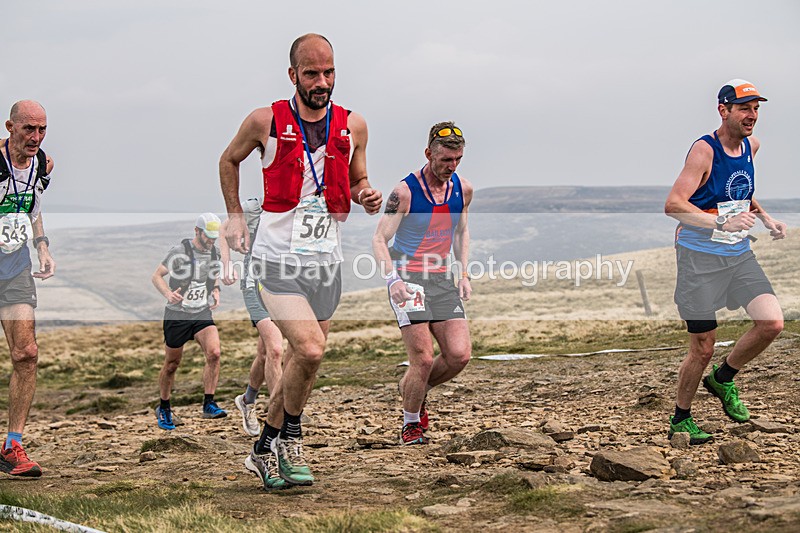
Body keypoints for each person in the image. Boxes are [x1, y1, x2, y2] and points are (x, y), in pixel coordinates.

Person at [220, 33, 382, 489]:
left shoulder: (354, 126)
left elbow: (357, 179)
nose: (322, 81)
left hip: (325, 261)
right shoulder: (264, 120)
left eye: (329, 72)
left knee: (302, 365)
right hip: (276, 262)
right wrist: (235, 216)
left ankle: (268, 448)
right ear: (293, 75)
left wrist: (366, 194)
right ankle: (286, 440)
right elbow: (228, 161)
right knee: (309, 348)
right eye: (312, 73)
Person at [665, 79, 786, 444]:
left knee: (772, 323)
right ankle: (681, 420)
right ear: (724, 110)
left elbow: (740, 192)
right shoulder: (704, 152)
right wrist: (720, 221)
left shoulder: (752, 146)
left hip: (737, 255)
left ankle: (723, 378)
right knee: (702, 347)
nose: (752, 116)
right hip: (698, 259)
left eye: (756, 108)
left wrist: (765, 217)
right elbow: (674, 205)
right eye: (745, 108)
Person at [372, 121, 473, 445]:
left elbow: (460, 232)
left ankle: (417, 388)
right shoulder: (404, 192)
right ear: (429, 153)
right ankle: (411, 423)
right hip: (408, 279)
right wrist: (392, 281)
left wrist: (464, 274)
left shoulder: (463, 189)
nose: (451, 166)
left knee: (459, 355)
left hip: (441, 277)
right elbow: (379, 239)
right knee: (424, 359)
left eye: (457, 160)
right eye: (445, 159)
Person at [0, 100, 55, 477]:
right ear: (10, 127)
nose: (35, 137)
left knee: (27, 353)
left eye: (42, 129)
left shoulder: (42, 164)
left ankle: (12, 446)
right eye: (28, 129)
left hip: (15, 266)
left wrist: (42, 245)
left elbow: (32, 206)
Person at [151, 213, 227, 430]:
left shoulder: (214, 252)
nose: (211, 240)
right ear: (197, 231)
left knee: (214, 353)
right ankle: (164, 406)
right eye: (208, 236)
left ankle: (209, 404)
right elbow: (156, 276)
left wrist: (215, 289)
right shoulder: (180, 252)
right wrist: (168, 294)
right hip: (177, 315)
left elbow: (212, 274)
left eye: (214, 236)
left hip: (201, 313)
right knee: (172, 364)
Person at [218, 197, 284, 437]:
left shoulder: (303, 204)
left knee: (265, 353)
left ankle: (247, 400)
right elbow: (223, 229)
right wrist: (226, 265)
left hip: (284, 287)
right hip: (254, 284)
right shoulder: (255, 206)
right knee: (276, 350)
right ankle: (283, 416)